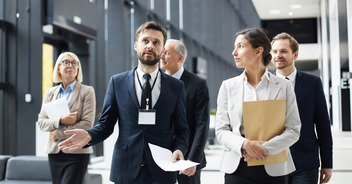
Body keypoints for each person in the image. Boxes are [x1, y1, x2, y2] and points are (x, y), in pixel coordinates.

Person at [58, 21, 189, 184]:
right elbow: (106, 124)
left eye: (156, 42)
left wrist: (179, 149)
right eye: (145, 41)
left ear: (162, 50)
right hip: (126, 170)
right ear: (136, 45)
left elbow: (182, 129)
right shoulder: (117, 82)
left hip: (161, 172)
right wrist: (89, 135)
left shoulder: (176, 86)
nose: (150, 46)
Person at [215, 28, 301, 184]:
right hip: (237, 167)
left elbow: (293, 130)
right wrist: (245, 145)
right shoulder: (228, 86)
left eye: (240, 46)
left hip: (274, 166)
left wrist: (264, 149)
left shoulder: (283, 86)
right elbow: (221, 130)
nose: (234, 52)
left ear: (258, 51)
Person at [271, 32, 333, 184]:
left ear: (295, 54)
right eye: (274, 51)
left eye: (284, 51)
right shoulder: (263, 84)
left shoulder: (313, 83)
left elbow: (323, 125)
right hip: (272, 163)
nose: (278, 55)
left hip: (305, 163)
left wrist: (327, 163)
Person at [37, 52, 96, 184]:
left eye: (74, 63)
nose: (70, 65)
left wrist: (58, 133)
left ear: (78, 69)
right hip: (55, 152)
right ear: (58, 68)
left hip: (78, 151)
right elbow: (41, 122)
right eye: (66, 62)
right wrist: (61, 121)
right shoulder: (50, 93)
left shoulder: (87, 91)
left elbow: (87, 124)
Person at [160, 39, 210, 184]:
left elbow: (202, 125)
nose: (161, 56)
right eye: (162, 52)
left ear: (180, 57)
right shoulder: (157, 82)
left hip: (187, 158)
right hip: (161, 157)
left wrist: (192, 160)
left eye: (166, 53)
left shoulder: (197, 84)